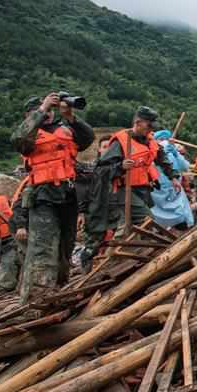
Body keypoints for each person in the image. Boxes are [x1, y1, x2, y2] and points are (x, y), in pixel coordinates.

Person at [12, 93, 94, 302]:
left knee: (65, 247)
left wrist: (70, 115)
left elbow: (87, 138)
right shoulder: (30, 133)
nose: (48, 113)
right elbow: (18, 139)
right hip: (43, 195)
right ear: (30, 114)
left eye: (50, 110)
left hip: (68, 194)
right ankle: (36, 297)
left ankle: (58, 288)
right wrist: (43, 107)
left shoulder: (64, 129)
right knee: (43, 248)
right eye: (43, 110)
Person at [81, 107, 180, 272]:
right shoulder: (120, 141)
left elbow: (163, 160)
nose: (151, 129)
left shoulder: (151, 140)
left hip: (143, 190)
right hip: (123, 191)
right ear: (138, 123)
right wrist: (120, 166)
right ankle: (112, 262)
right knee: (147, 221)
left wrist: (174, 177)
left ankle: (116, 261)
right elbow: (101, 169)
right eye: (149, 126)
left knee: (127, 227)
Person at [150, 130, 194, 229]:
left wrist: (175, 153)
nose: (163, 142)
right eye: (161, 139)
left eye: (165, 139)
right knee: (159, 215)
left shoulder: (172, 152)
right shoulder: (152, 153)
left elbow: (184, 166)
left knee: (181, 215)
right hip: (158, 191)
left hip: (175, 189)